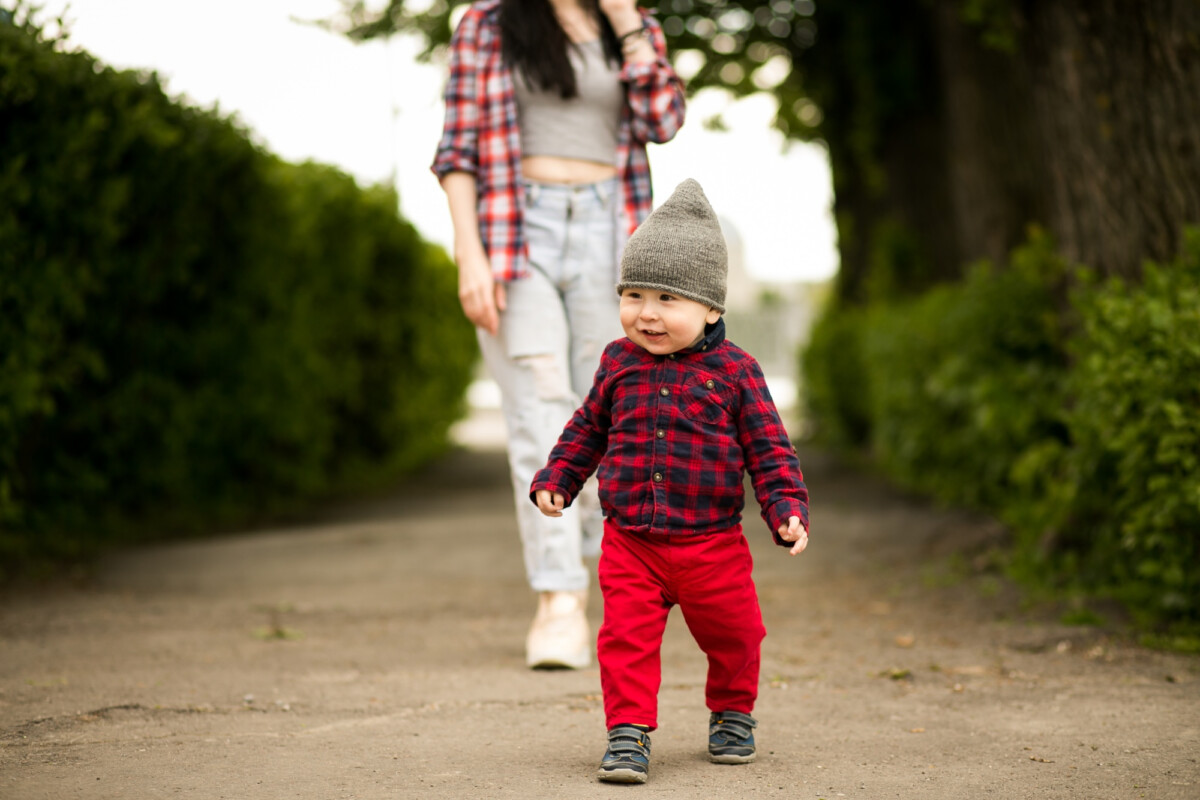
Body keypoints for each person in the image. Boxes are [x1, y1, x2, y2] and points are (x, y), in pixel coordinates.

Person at [432, 0, 686, 670]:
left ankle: (616, 584)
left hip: (615, 232)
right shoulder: (486, 24)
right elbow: (457, 150)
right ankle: (558, 601)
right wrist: (470, 254)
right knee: (540, 416)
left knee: (614, 415)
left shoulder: (631, 24)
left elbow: (664, 121)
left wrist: (626, 20)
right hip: (519, 232)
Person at [530, 178, 811, 784]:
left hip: (712, 545)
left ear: (711, 309)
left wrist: (785, 507)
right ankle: (628, 734)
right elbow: (587, 429)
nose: (646, 313)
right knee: (624, 639)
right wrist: (559, 476)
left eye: (666, 298)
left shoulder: (736, 373)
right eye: (633, 294)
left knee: (738, 634)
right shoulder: (617, 362)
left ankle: (733, 712)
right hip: (631, 542)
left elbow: (768, 448)